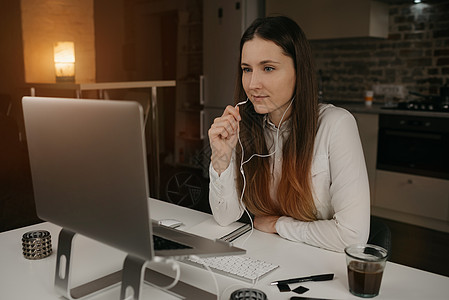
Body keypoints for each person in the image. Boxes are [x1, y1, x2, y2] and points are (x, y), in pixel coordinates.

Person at [207, 16, 370, 253]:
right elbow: (225, 217)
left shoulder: (336, 124)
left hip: (318, 266)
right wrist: (221, 159)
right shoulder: (245, 128)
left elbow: (352, 237)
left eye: (268, 68)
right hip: (265, 257)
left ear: (298, 70)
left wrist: (278, 225)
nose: (253, 84)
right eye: (246, 69)